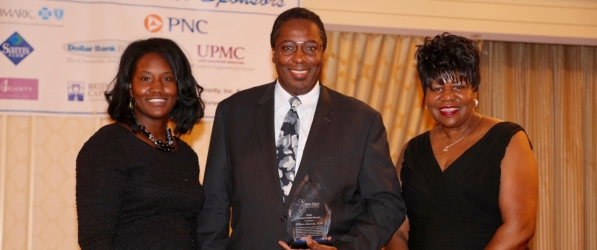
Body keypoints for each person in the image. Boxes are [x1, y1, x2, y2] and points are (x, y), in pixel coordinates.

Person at [196, 7, 406, 250]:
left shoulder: (361, 121)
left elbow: (387, 203)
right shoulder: (233, 113)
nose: (299, 57)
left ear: (323, 54)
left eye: (310, 47)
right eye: (287, 47)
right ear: (273, 53)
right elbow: (214, 202)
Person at [385, 33, 539, 250]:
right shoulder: (412, 151)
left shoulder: (509, 139)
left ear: (474, 90)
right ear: (425, 95)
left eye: (457, 86)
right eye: (437, 88)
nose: (447, 97)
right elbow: (396, 228)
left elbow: (520, 228)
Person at [76, 38, 206, 249]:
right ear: (129, 87)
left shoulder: (186, 155)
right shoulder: (107, 146)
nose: (157, 88)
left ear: (179, 87)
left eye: (167, 79)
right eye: (145, 79)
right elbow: (95, 239)